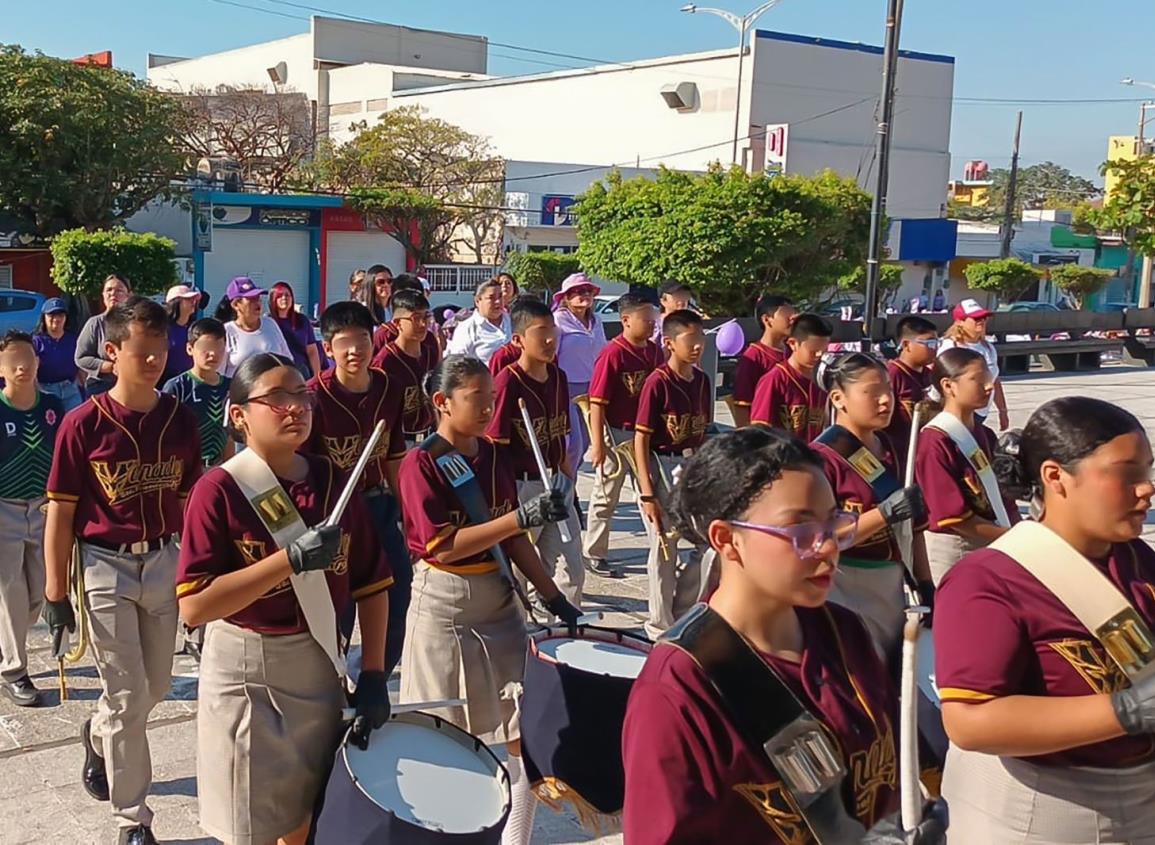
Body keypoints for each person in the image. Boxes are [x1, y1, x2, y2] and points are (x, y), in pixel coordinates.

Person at [621, 427, 900, 843]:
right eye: (801, 531)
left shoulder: (845, 631)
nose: (827, 547)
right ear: (727, 539)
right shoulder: (678, 688)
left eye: (834, 522)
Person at [177, 353, 392, 845]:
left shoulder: (333, 480)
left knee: (304, 814)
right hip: (248, 672)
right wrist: (288, 560)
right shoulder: (219, 490)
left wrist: (375, 673)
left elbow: (372, 582)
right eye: (277, 399)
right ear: (239, 415)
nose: (295, 408)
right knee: (250, 824)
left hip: (319, 663)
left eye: (302, 397)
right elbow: (195, 606)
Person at [935, 396, 1155, 843]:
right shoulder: (987, 580)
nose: (1147, 488)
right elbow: (970, 721)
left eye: (1148, 470)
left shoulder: (1134, 558)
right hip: (1049, 814)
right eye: (1127, 473)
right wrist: (1126, 711)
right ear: (1056, 477)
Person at [398, 355, 580, 845]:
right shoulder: (422, 463)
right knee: (444, 733)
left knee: (522, 729)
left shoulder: (494, 454)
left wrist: (553, 596)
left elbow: (513, 538)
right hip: (446, 606)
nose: (487, 408)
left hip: (499, 603)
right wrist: (520, 517)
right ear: (442, 402)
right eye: (477, 399)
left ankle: (515, 836)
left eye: (492, 399)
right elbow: (443, 544)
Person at [43, 298, 202, 845]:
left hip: (162, 559)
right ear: (111, 352)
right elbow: (61, 509)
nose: (154, 361)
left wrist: (195, 570)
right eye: (142, 352)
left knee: (155, 687)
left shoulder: (180, 418)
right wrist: (54, 593)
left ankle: (98, 730)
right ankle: (132, 819)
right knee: (131, 696)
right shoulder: (81, 424)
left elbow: (188, 500)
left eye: (160, 351)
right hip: (103, 566)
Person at [306, 301, 410, 674]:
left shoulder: (389, 387)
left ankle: (373, 676)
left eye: (363, 340)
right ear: (328, 348)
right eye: (344, 343)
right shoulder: (311, 398)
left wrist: (405, 514)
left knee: (398, 598)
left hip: (378, 506)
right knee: (340, 608)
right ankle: (334, 685)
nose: (355, 351)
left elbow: (395, 454)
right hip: (333, 516)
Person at [812, 353, 932, 659]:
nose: (885, 401)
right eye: (872, 392)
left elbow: (915, 528)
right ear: (839, 398)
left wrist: (925, 582)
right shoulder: (820, 459)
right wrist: (883, 514)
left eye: (888, 390)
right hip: (843, 584)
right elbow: (820, 537)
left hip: (891, 583)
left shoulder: (892, 447)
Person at [486, 298, 584, 609]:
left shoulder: (558, 377)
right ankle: (527, 636)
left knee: (572, 566)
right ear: (518, 340)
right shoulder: (506, 383)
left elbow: (561, 435)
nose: (550, 340)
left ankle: (566, 628)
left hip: (557, 482)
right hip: (522, 486)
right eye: (540, 332)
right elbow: (495, 447)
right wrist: (506, 499)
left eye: (553, 331)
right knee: (525, 570)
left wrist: (569, 481)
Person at [634, 309, 713, 640]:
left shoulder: (703, 380)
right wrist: (647, 492)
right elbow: (641, 438)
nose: (697, 346)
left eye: (701, 339)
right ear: (669, 343)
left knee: (706, 544)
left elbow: (705, 430)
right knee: (665, 548)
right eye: (690, 339)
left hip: (692, 465)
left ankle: (684, 612)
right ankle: (659, 627)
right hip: (661, 464)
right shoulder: (657, 382)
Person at [916, 347, 1018, 587]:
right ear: (948, 386)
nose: (989, 386)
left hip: (994, 540)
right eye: (977, 379)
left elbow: (1004, 495)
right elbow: (952, 517)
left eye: (989, 378)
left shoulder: (985, 434)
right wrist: (1011, 537)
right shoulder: (935, 441)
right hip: (958, 549)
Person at [0, 331, 63, 707]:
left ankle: (8, 641)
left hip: (43, 508)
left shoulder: (52, 407)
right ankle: (13, 669)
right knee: (10, 590)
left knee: (37, 591)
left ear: (38, 363)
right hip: (3, 509)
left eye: (28, 359)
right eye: (12, 362)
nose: (22, 367)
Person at [583, 293, 662, 578]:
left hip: (646, 434)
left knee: (649, 491)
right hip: (616, 433)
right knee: (606, 495)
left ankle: (661, 548)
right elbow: (597, 402)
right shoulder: (613, 353)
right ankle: (594, 552)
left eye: (654, 319)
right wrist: (598, 444)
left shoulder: (655, 351)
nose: (652, 325)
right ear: (625, 320)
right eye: (646, 319)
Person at [553, 272, 607, 475]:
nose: (584, 295)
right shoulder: (558, 321)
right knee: (572, 445)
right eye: (577, 291)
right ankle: (567, 491)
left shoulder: (597, 320)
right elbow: (552, 356)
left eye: (588, 291)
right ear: (566, 297)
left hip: (592, 387)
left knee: (586, 442)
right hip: (566, 387)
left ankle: (569, 488)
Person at [161, 318, 234, 468]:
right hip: (185, 468)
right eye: (206, 348)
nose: (212, 354)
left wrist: (229, 469)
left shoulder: (229, 386)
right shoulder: (178, 386)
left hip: (218, 465)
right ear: (189, 349)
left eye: (218, 347)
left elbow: (228, 434)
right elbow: (165, 434)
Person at [750, 313, 833, 442]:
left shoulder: (824, 379)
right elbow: (760, 430)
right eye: (813, 350)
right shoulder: (774, 380)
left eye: (824, 350)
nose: (819, 355)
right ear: (793, 343)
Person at [373, 288, 437, 442]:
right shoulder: (385, 361)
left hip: (430, 436)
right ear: (397, 323)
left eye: (426, 317)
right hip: (401, 441)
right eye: (415, 318)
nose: (423, 324)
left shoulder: (429, 350)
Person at [940, 299, 1009, 431]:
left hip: (981, 412)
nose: (981, 321)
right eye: (975, 318)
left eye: (983, 317)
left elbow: (994, 380)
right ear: (960, 322)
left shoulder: (988, 347)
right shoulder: (950, 346)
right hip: (961, 412)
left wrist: (1002, 410)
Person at [731, 294, 797, 428]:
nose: (792, 320)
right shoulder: (753, 357)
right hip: (767, 434)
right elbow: (742, 405)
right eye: (786, 315)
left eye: (794, 315)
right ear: (767, 320)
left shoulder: (794, 352)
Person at [885, 315, 939, 477]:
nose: (934, 348)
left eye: (937, 343)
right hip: (898, 458)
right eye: (929, 343)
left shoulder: (932, 375)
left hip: (927, 454)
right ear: (907, 345)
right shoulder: (892, 375)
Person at [214, 276, 292, 378]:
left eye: (258, 298)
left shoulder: (271, 324)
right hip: (241, 392)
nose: (257, 302)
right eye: (251, 299)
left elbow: (288, 360)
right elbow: (218, 373)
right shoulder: (226, 331)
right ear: (236, 305)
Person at [75, 273, 131, 396]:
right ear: (103, 295)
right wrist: (109, 367)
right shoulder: (95, 323)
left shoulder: (135, 324)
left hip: (130, 385)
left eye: (119, 291)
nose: (113, 294)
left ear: (128, 296)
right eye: (109, 290)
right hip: (100, 386)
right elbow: (81, 358)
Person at [33, 297, 83, 413]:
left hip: (70, 389)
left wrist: (84, 389)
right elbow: (33, 371)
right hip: (46, 390)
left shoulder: (73, 339)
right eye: (51, 315)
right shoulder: (36, 341)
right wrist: (37, 392)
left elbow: (80, 367)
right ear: (44, 318)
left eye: (60, 315)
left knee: (75, 423)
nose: (56, 319)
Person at [447, 278, 512, 364]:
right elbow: (458, 365)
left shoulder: (512, 320)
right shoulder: (467, 329)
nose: (498, 301)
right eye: (491, 298)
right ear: (477, 301)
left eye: (500, 296)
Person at [268, 281, 321, 379]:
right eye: (280, 295)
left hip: (301, 371)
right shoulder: (267, 322)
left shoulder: (302, 320)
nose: (284, 298)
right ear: (273, 299)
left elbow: (312, 351)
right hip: (276, 371)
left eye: (287, 295)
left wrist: (317, 376)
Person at [161, 284, 208, 386]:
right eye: (188, 299)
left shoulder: (195, 329)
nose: (193, 302)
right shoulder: (162, 329)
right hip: (165, 382)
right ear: (175, 302)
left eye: (194, 299)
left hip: (191, 381)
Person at [653, 280, 693, 346]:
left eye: (685, 294)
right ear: (663, 301)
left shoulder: (693, 323)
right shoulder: (655, 324)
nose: (681, 299)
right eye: (676, 295)